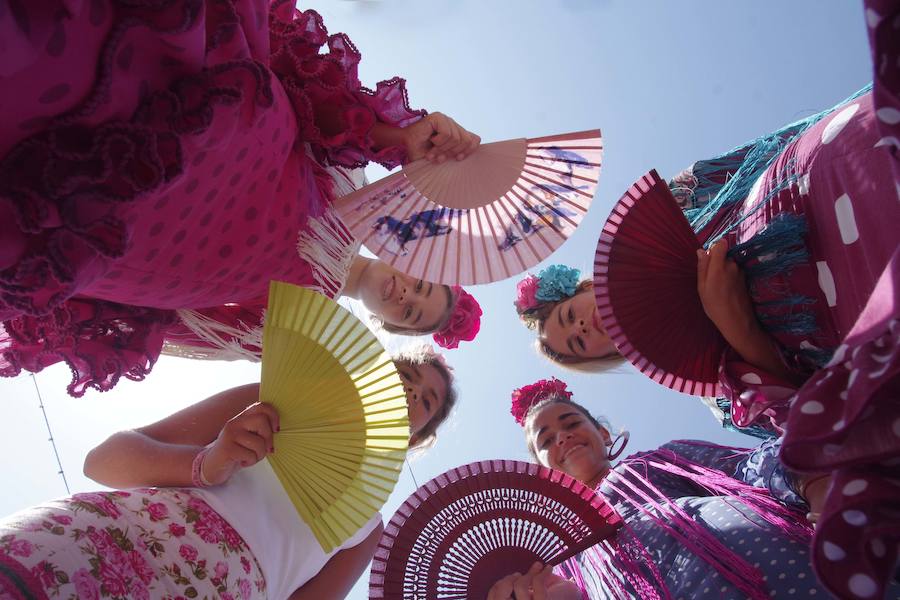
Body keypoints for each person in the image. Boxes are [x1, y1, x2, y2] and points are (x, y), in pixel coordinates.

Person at [0, 0, 483, 398]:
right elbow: (321, 108)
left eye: (413, 313)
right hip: (193, 103)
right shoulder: (355, 187)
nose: (407, 296)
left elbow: (186, 325)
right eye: (423, 286)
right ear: (416, 260)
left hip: (118, 240)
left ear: (389, 324)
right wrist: (400, 138)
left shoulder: (294, 330)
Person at [0, 344, 456, 599]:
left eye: (427, 400)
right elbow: (102, 461)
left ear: (419, 437)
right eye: (404, 375)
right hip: (98, 541)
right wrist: (207, 463)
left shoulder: (366, 528)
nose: (411, 394)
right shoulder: (273, 403)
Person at [487, 378, 879, 600]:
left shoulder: (659, 461)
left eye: (571, 422)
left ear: (603, 433)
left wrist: (814, 481)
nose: (562, 437)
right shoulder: (565, 559)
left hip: (785, 572)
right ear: (542, 469)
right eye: (545, 438)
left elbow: (747, 468)